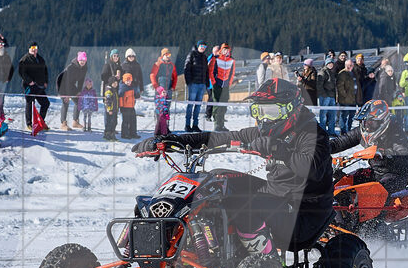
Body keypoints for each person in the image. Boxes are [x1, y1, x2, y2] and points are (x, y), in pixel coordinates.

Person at [132, 78, 334, 256]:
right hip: (277, 196)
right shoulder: (266, 132)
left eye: (271, 112)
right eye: (258, 111)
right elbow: (218, 138)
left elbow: (313, 170)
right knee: (215, 181)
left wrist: (279, 150)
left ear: (292, 110)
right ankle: (201, 247)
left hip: (304, 214)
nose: (264, 119)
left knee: (244, 205)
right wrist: (170, 140)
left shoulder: (313, 134)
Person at [329, 99, 408, 198]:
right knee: (341, 183)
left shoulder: (395, 133)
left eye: (371, 122)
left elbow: (407, 162)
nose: (367, 126)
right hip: (375, 172)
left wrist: (385, 153)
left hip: (396, 176)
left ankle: (359, 208)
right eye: (364, 122)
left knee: (370, 194)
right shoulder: (363, 131)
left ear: (382, 121)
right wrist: (320, 147)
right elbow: (340, 142)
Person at [17, 42, 50, 132]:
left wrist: (46, 81)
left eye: (35, 48)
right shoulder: (25, 59)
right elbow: (21, 72)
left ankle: (40, 122)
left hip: (40, 85)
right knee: (30, 103)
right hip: (29, 86)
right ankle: (29, 124)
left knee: (45, 103)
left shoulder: (40, 59)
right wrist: (29, 81)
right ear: (29, 49)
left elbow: (45, 71)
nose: (34, 49)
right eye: (32, 48)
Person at [56, 51, 88, 130]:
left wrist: (79, 91)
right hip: (62, 84)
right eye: (81, 60)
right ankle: (63, 123)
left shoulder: (84, 68)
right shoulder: (71, 67)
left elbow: (81, 81)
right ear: (78, 60)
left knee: (79, 101)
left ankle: (75, 122)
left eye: (84, 60)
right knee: (66, 102)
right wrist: (67, 95)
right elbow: (67, 81)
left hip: (71, 84)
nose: (82, 62)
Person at [206, 42, 234, 130]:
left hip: (225, 85)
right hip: (217, 84)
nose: (226, 51)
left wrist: (229, 82)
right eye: (224, 50)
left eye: (227, 50)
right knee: (217, 104)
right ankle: (217, 124)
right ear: (221, 50)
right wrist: (213, 82)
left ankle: (222, 124)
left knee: (224, 105)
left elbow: (232, 72)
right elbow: (210, 71)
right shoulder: (216, 59)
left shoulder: (231, 60)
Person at [183, 40, 209, 131]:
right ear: (198, 46)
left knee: (198, 105)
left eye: (204, 47)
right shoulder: (192, 55)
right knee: (191, 105)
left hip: (202, 84)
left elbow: (207, 71)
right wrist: (189, 82)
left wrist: (206, 83)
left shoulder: (204, 57)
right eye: (201, 46)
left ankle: (195, 125)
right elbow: (186, 68)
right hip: (193, 84)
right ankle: (187, 125)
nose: (203, 48)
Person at [336, 58, 359, 135]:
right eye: (349, 65)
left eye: (351, 65)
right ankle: (343, 132)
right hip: (344, 99)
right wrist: (345, 95)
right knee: (344, 116)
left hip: (353, 99)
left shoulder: (353, 73)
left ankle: (349, 131)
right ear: (345, 65)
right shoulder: (342, 73)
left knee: (352, 116)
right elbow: (340, 87)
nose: (350, 66)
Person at [317, 56, 339, 134]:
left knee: (332, 115)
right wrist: (324, 95)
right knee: (323, 115)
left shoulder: (332, 72)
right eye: (329, 63)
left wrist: (335, 96)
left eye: (332, 63)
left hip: (332, 96)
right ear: (326, 64)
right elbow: (319, 85)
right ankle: (323, 131)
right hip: (325, 96)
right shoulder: (323, 72)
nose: (331, 65)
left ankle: (331, 131)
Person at [119, 72, 138, 139]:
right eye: (127, 81)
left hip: (131, 106)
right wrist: (121, 107)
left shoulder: (132, 87)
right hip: (125, 107)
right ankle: (125, 134)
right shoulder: (123, 88)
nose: (128, 82)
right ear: (124, 81)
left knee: (133, 121)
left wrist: (137, 94)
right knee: (126, 121)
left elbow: (135, 95)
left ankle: (133, 133)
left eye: (129, 81)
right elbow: (120, 98)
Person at [103, 76, 119, 141]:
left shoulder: (114, 90)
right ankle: (107, 135)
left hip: (114, 109)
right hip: (110, 110)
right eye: (114, 83)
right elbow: (108, 101)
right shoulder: (109, 90)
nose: (116, 84)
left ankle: (112, 135)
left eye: (116, 83)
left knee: (114, 122)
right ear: (111, 83)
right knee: (109, 123)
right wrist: (109, 109)